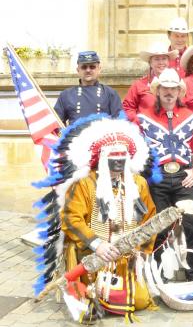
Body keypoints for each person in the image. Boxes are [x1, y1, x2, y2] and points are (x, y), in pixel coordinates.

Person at [36, 116, 160, 322]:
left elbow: (149, 217)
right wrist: (97, 244)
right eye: (113, 159)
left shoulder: (138, 183)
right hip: (93, 255)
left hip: (126, 256)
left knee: (139, 301)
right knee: (92, 302)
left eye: (123, 158)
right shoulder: (84, 184)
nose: (118, 164)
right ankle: (83, 293)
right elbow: (70, 218)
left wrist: (142, 250)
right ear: (102, 159)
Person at [137, 68, 193, 280]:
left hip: (185, 176)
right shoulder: (143, 118)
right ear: (157, 91)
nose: (169, 92)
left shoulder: (190, 117)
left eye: (173, 88)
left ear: (179, 91)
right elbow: (137, 151)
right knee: (160, 227)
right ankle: (160, 274)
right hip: (158, 178)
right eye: (165, 88)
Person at [54, 51, 121, 125]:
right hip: (75, 136)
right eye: (84, 67)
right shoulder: (66, 95)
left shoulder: (110, 93)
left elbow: (119, 122)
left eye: (92, 67)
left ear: (99, 69)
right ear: (78, 70)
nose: (88, 70)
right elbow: (56, 123)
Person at [123, 42, 178, 123]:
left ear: (168, 61)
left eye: (164, 58)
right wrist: (139, 122)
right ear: (150, 62)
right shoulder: (138, 85)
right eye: (156, 59)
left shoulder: (177, 84)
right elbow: (127, 108)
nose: (161, 62)